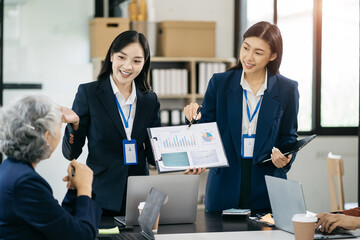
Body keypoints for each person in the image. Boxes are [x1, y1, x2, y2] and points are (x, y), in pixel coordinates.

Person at [184, 21, 299, 212]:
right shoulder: (219, 83)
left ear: (273, 55)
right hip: (224, 185)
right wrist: (193, 118)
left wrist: (287, 157)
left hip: (267, 186)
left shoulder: (287, 89)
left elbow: (289, 136)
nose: (248, 57)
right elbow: (205, 128)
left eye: (258, 52)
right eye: (245, 48)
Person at [61, 30, 161, 216]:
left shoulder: (150, 100)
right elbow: (70, 153)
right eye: (122, 57)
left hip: (138, 197)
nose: (128, 66)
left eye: (137, 61)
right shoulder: (89, 93)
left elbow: (153, 156)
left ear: (144, 63)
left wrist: (184, 153)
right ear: (112, 56)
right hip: (100, 195)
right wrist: (75, 125)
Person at [0, 95, 101, 240]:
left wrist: (75, 189)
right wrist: (85, 189)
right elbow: (81, 236)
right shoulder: (25, 183)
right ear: (47, 136)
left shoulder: (10, 170)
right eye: (59, 127)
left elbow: (59, 225)